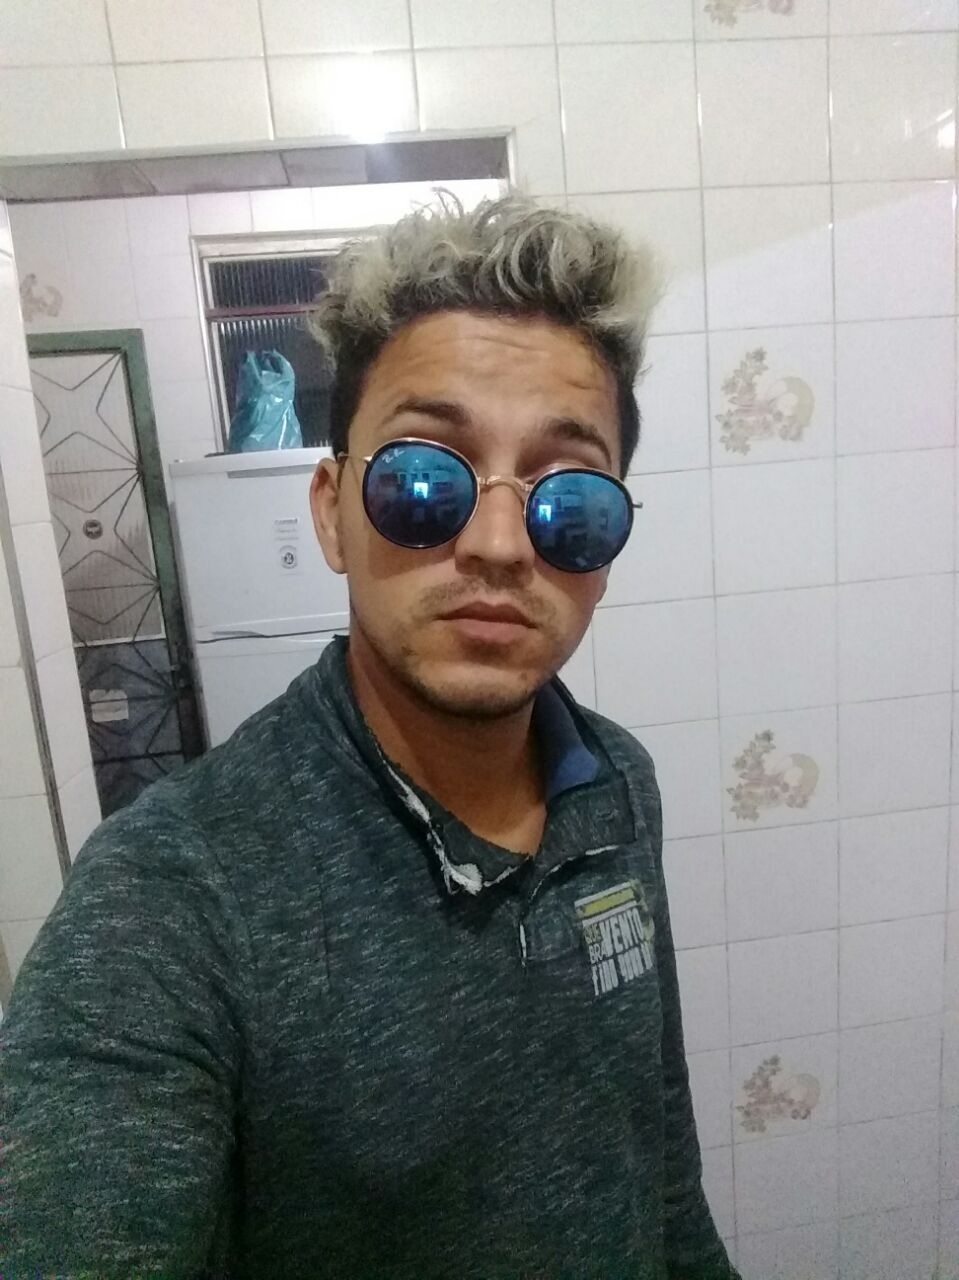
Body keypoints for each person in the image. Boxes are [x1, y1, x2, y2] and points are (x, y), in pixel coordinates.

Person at [0, 191, 741, 1280]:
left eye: (569, 499)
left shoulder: (616, 784)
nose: (498, 544)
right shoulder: (172, 894)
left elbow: (658, 1157)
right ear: (330, 510)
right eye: (423, 479)